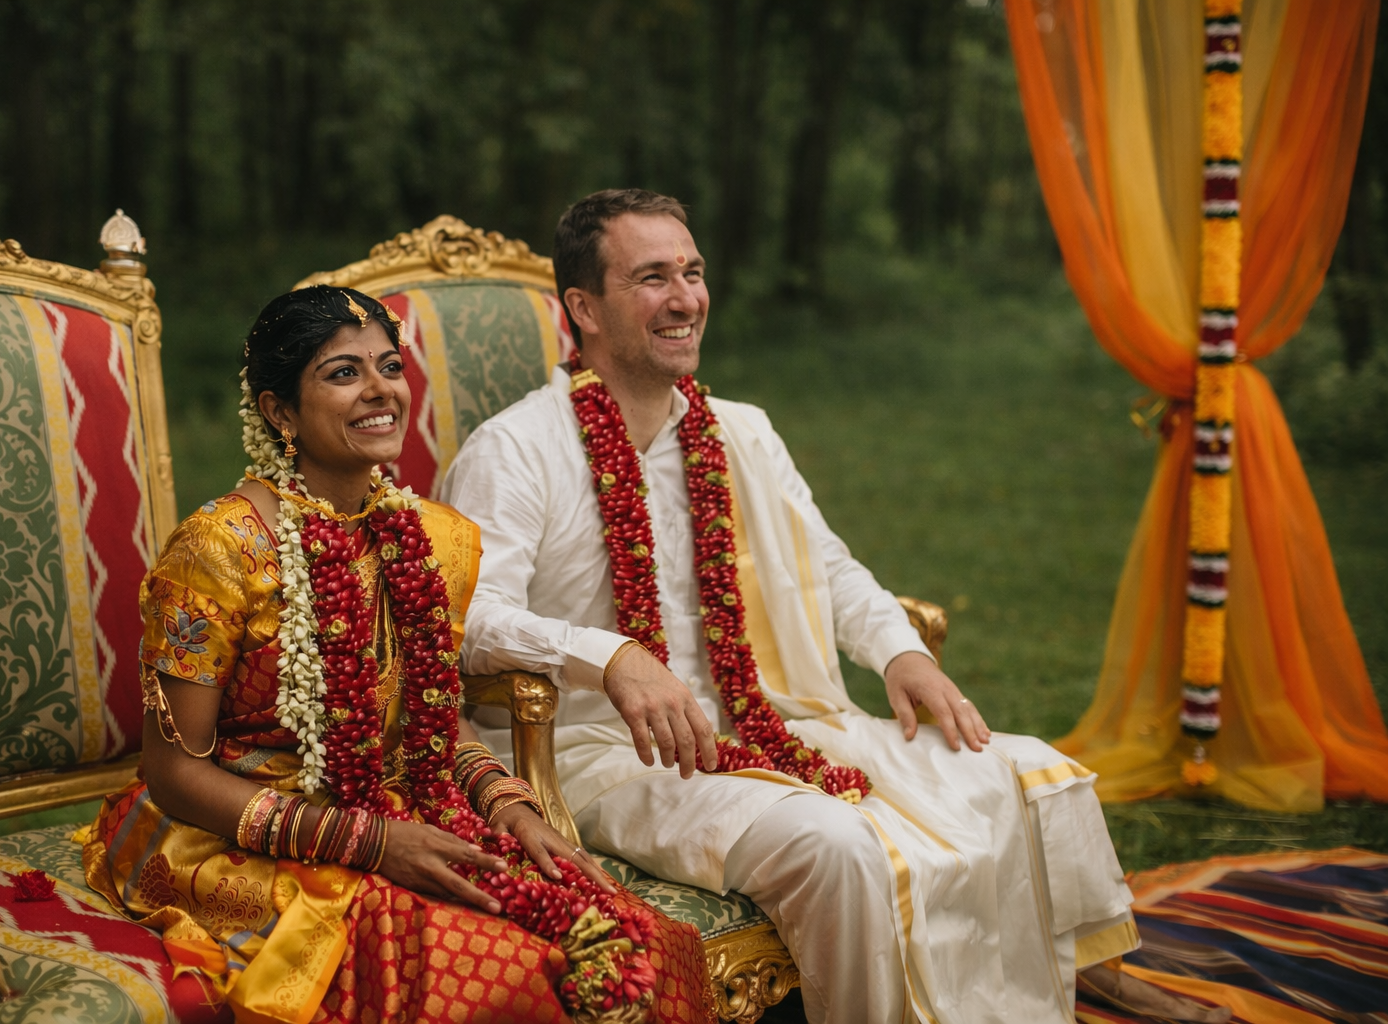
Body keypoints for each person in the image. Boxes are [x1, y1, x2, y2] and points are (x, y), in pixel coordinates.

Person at [442, 189, 1232, 1024]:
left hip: (769, 716)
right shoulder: (516, 451)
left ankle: (1081, 978)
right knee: (839, 846)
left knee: (1023, 772)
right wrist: (610, 657)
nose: (685, 299)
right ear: (584, 308)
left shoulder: (741, 432)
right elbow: (470, 620)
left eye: (693, 272)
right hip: (607, 756)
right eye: (652, 278)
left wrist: (901, 652)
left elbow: (828, 565)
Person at [84, 285, 713, 1024]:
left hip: (403, 809)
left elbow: (433, 720)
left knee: (641, 942)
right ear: (279, 412)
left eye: (389, 366)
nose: (381, 389)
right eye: (342, 373)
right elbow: (172, 771)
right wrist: (372, 843)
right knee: (499, 975)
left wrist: (512, 810)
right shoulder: (220, 551)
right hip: (240, 835)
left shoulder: (430, 538)